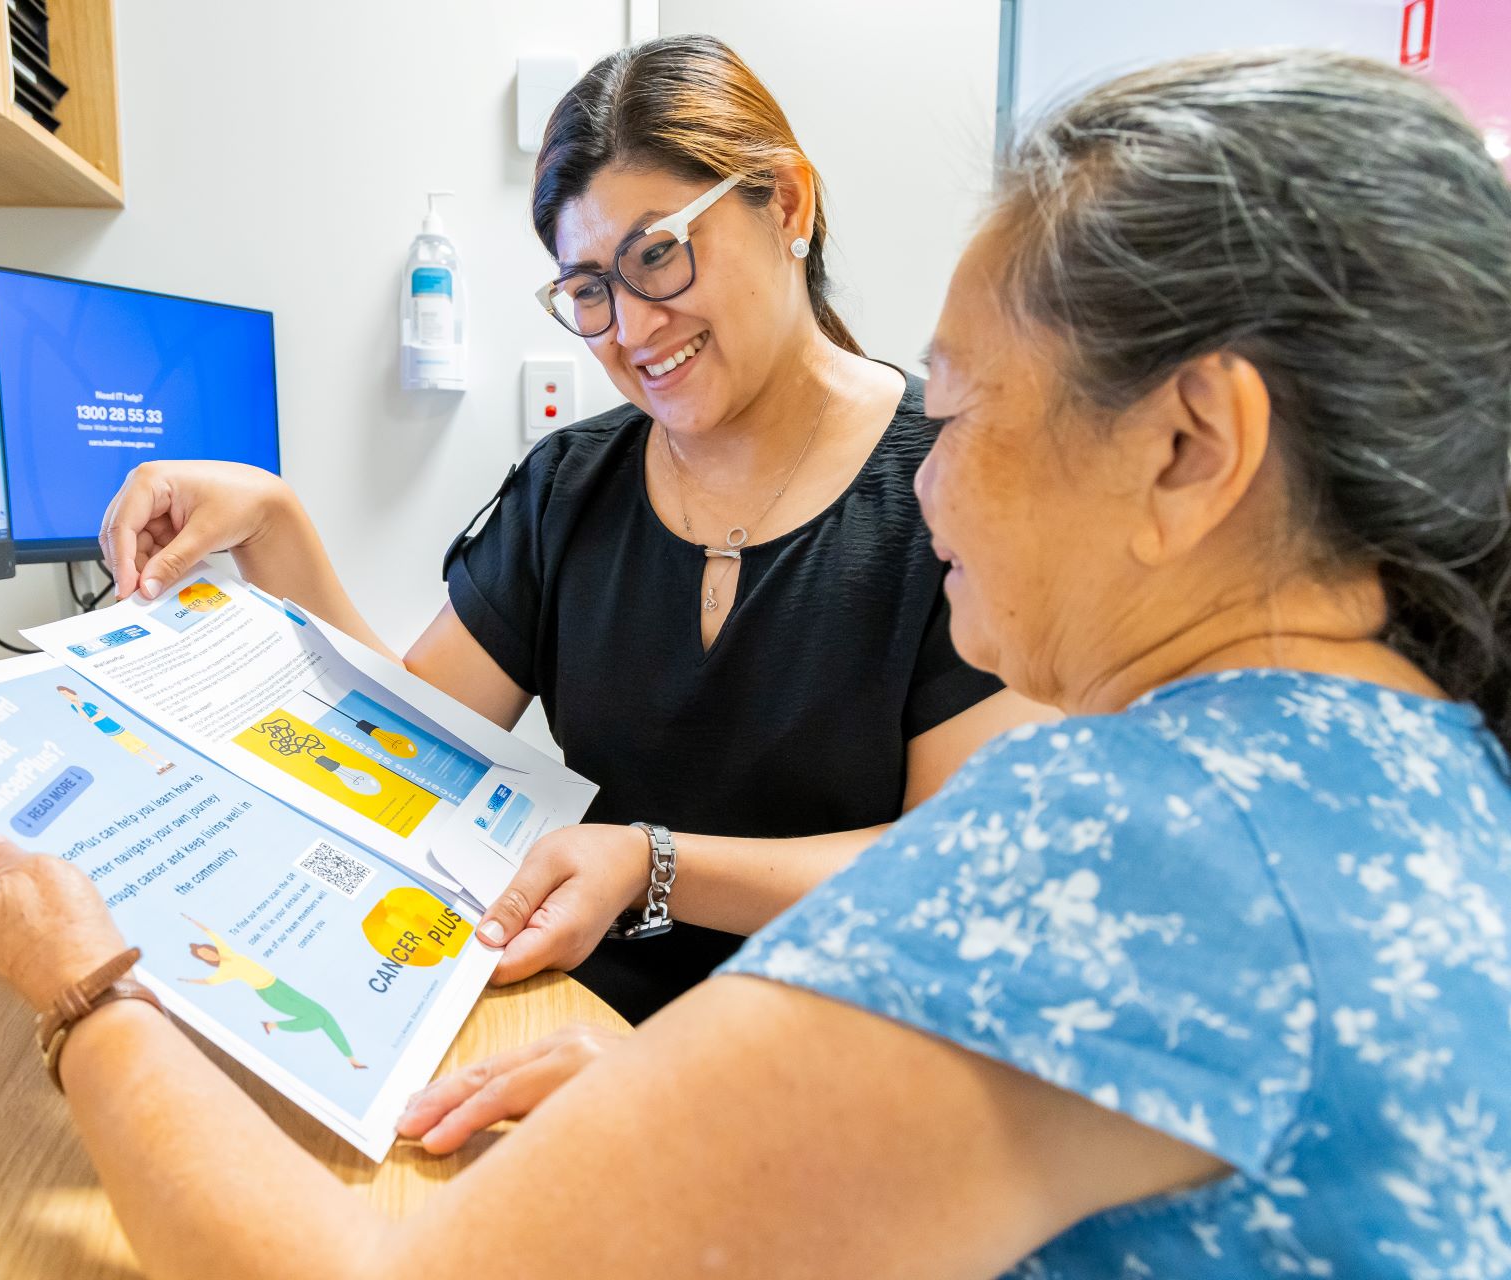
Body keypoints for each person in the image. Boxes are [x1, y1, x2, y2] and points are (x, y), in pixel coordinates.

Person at [0, 49, 1511, 1276]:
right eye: (585, 290)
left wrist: (81, 989)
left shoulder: (1135, 835)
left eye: (956, 409)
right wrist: (689, 1092)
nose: (930, 481)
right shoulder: (1397, 768)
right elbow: (405, 732)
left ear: (1193, 446)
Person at [96, 35, 1043, 1022]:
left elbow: (956, 863)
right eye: (589, 290)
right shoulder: (567, 491)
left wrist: (651, 863)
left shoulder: (961, 482)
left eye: (659, 256)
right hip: (569, 1028)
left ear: (787, 203)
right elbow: (405, 751)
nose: (631, 329)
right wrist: (273, 522)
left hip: (836, 1062)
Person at [180, 914, 366, 1070]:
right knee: (316, 1019)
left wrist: (190, 919)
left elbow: (209, 933)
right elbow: (208, 982)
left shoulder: (227, 951)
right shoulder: (223, 972)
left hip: (279, 984)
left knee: (324, 1014)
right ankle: (273, 1025)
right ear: (206, 960)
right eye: (204, 956)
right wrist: (186, 980)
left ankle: (351, 1059)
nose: (208, 954)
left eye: (207, 950)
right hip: (269, 993)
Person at [57, 684, 177, 775]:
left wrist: (93, 719)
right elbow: (86, 718)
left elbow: (102, 714)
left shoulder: (89, 704)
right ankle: (158, 767)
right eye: (63, 695)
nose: (66, 696)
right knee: (135, 750)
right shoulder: (75, 707)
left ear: (73, 692)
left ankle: (166, 761)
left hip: (116, 726)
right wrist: (79, 707)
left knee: (142, 745)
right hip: (108, 732)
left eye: (66, 693)